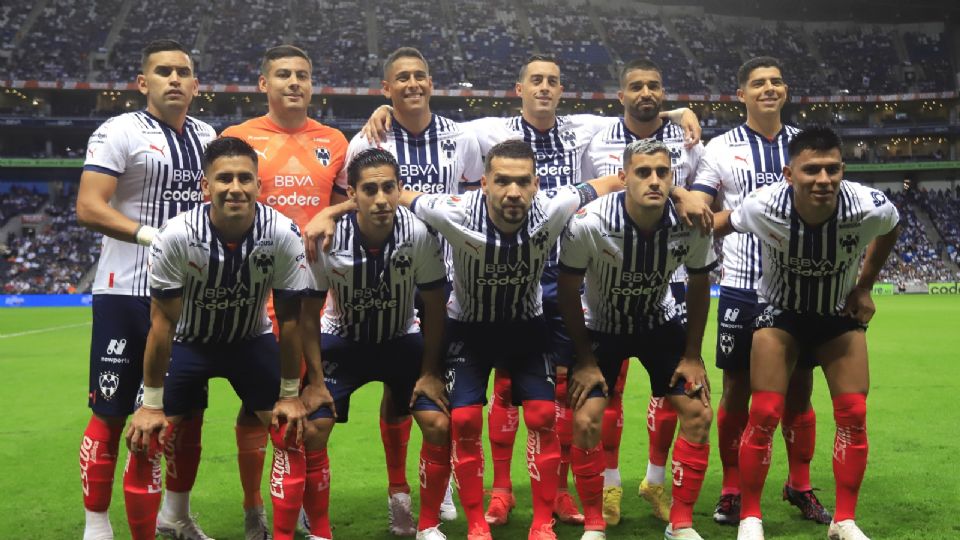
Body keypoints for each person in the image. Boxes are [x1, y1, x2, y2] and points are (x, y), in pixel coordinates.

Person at [361, 54, 707, 527]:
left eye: (553, 81)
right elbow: (392, 191)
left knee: (553, 402)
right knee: (496, 399)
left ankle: (557, 498)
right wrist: (384, 116)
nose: (544, 88)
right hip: (477, 296)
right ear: (518, 88)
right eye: (535, 81)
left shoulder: (581, 133)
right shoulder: (482, 135)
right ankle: (499, 492)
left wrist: (677, 161)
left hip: (548, 274)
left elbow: (631, 127)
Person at [124, 137, 311, 540]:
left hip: (250, 340)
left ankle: (275, 529)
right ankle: (162, 524)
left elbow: (292, 321)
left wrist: (292, 394)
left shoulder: (282, 233)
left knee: (289, 429)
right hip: (190, 343)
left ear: (259, 186)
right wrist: (151, 405)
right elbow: (161, 325)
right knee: (144, 436)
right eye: (224, 178)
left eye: (245, 178)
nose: (235, 187)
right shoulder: (175, 236)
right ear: (205, 187)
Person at [720, 126, 900, 540]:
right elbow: (724, 223)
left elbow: (892, 227)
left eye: (832, 169)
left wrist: (866, 284)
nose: (823, 179)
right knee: (764, 413)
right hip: (780, 314)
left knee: (854, 415)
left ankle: (845, 521)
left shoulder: (869, 205)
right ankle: (751, 517)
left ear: (843, 169)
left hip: (836, 315)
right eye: (812, 170)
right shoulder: (764, 205)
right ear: (789, 173)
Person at [332, 46, 485, 527]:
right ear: (387, 89)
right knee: (399, 390)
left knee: (441, 390)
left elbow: (477, 195)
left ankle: (438, 486)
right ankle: (399, 487)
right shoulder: (366, 140)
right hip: (387, 274)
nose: (413, 84)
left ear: (431, 82)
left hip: (448, 276)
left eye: (420, 76)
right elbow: (347, 202)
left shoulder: (460, 137)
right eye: (402, 78)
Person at [76, 39, 216, 540]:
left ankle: (174, 516)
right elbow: (89, 205)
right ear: (144, 83)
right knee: (111, 413)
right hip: (125, 293)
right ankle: (97, 524)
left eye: (183, 72)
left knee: (183, 413)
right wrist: (148, 234)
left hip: (189, 298)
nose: (174, 79)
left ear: (196, 85)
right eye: (163, 72)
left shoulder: (207, 136)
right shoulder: (119, 130)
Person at [690, 56, 831, 526]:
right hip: (743, 286)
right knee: (737, 389)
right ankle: (732, 487)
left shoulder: (805, 145)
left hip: (800, 287)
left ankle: (800, 483)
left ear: (785, 91)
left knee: (799, 390)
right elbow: (705, 211)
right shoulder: (720, 148)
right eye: (757, 83)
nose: (768, 88)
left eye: (775, 82)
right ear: (742, 94)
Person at [220, 43, 349, 539]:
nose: (293, 83)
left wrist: (329, 213)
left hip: (310, 297)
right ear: (263, 84)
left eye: (302, 75)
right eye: (283, 75)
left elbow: (348, 201)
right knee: (258, 403)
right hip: (250, 295)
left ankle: (287, 500)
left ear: (312, 85)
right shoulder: (238, 137)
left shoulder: (334, 140)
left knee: (297, 406)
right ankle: (258, 506)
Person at [559, 138, 716, 540]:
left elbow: (699, 286)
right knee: (586, 419)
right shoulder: (589, 223)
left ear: (672, 179)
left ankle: (680, 523)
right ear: (625, 177)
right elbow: (567, 290)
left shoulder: (690, 224)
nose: (654, 181)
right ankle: (594, 523)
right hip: (601, 329)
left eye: (663, 173)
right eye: (643, 172)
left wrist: (693, 355)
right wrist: (584, 359)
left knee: (698, 412)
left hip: (658, 326)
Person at [300, 148, 452, 540]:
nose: (381, 199)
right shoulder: (328, 238)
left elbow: (435, 305)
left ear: (400, 189)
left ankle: (425, 520)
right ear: (353, 194)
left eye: (389, 188)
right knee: (314, 429)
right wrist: (314, 380)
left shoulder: (417, 233)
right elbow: (307, 315)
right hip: (342, 341)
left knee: (437, 423)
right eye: (370, 189)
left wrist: (433, 372)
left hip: (401, 338)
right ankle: (318, 527)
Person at [582, 58, 706, 525]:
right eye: (636, 86)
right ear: (621, 94)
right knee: (607, 393)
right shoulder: (593, 135)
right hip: (610, 274)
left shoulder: (688, 138)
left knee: (667, 394)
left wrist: (680, 117)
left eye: (655, 85)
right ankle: (609, 486)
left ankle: (655, 480)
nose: (646, 93)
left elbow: (691, 193)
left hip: (668, 276)